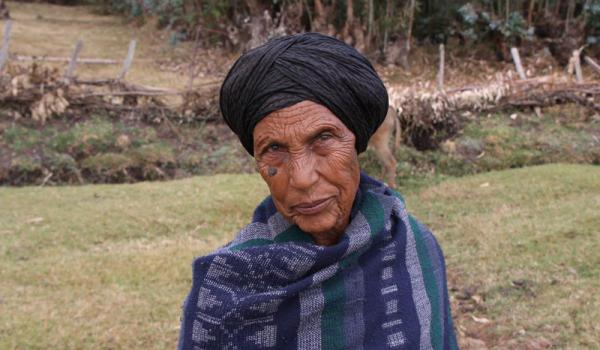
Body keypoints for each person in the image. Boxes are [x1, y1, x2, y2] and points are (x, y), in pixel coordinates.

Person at [178, 32, 458, 350]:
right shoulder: (225, 291)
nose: (302, 178)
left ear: (356, 141)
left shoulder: (414, 246)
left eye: (323, 138)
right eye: (273, 149)